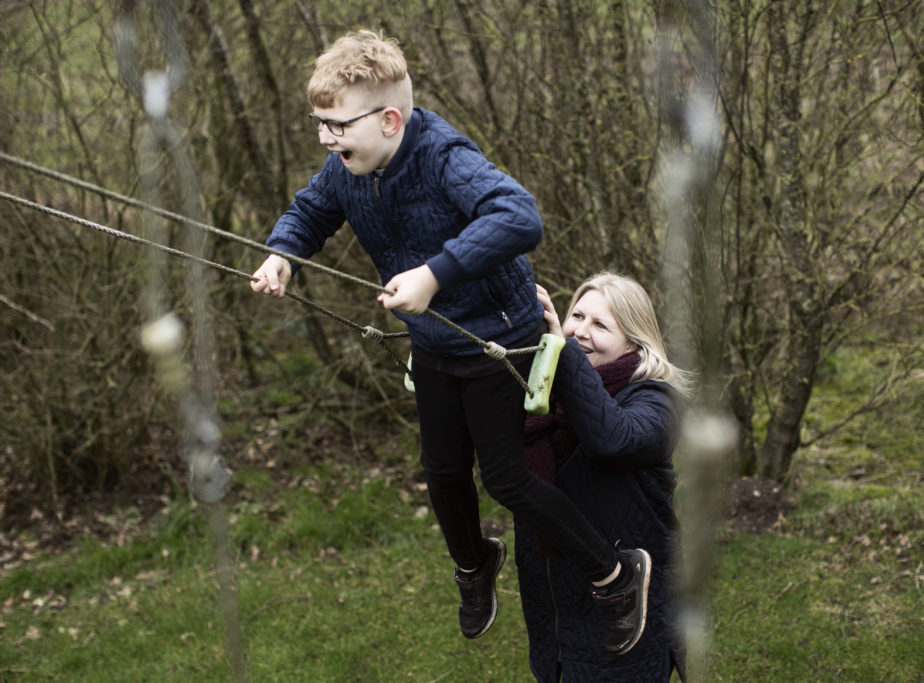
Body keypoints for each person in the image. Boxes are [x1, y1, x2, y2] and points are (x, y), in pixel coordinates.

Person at [250, 31, 651, 653]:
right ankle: (474, 563)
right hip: (435, 344)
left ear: (389, 121)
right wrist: (283, 255)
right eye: (318, 123)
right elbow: (310, 211)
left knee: (507, 480)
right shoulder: (347, 167)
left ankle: (616, 574)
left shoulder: (443, 157)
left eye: (337, 126)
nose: (325, 138)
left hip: (497, 338)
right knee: (441, 472)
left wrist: (434, 275)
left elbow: (519, 215)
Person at [515, 273, 690, 681]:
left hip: (631, 623)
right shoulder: (542, 398)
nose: (581, 331)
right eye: (577, 316)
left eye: (601, 325)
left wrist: (563, 351)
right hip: (556, 618)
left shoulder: (655, 400)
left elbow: (611, 440)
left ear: (633, 343)